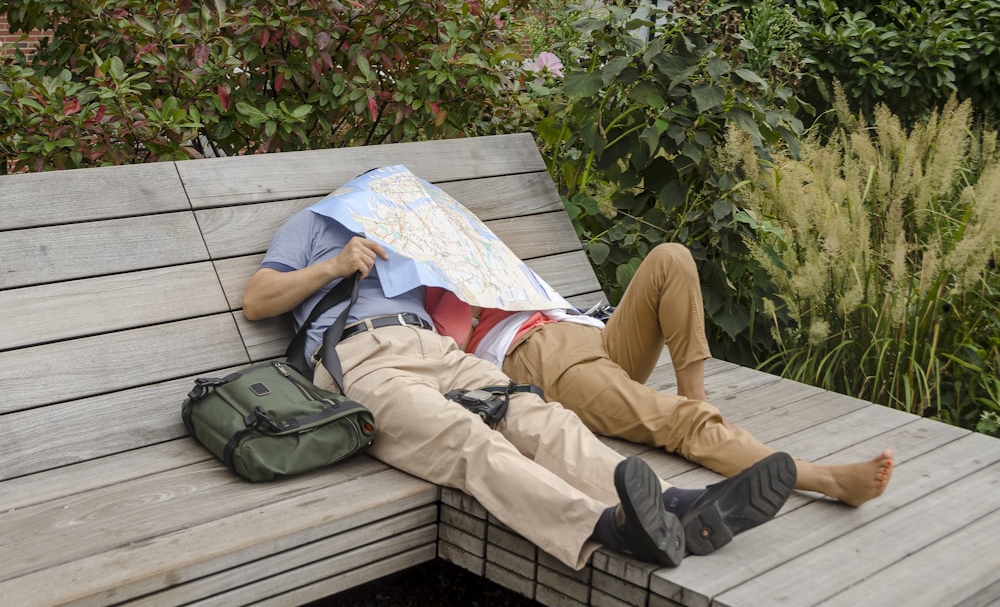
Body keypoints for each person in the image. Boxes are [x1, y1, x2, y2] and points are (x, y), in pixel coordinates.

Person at [242, 202, 797, 572]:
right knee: (467, 440)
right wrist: (335, 265)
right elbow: (258, 299)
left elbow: (470, 303)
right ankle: (612, 527)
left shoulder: (406, 232)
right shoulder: (312, 226)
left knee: (538, 416)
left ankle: (674, 504)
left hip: (437, 349)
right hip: (359, 359)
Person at [427, 243, 894, 508]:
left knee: (671, 257)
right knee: (674, 422)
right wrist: (448, 286)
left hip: (590, 331)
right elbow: (446, 349)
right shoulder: (427, 284)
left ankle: (696, 395)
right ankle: (825, 479)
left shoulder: (483, 254)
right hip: (543, 358)